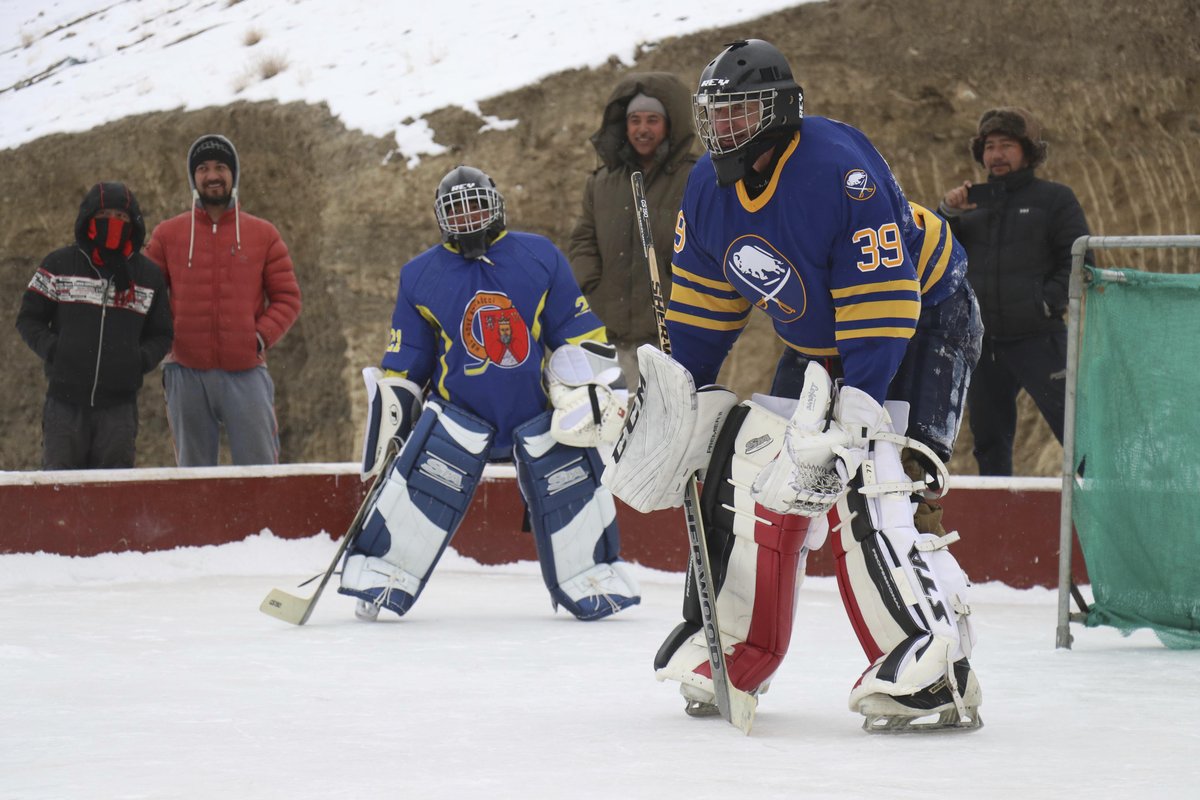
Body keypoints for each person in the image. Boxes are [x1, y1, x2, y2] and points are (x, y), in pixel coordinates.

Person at [603, 40, 984, 732]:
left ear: (779, 111)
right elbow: (703, 307)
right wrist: (679, 399)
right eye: (714, 113)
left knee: (874, 471)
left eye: (739, 112)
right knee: (753, 467)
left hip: (921, 316)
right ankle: (734, 645)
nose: (722, 128)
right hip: (819, 339)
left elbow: (884, 296)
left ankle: (933, 658)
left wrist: (859, 406)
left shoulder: (840, 170)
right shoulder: (706, 189)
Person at [336, 165, 641, 623]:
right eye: (455, 211)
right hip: (456, 417)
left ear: (496, 204)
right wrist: (391, 431)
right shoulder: (419, 275)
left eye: (475, 205)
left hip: (536, 416)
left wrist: (590, 389)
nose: (468, 217)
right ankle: (378, 577)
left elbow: (578, 334)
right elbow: (405, 364)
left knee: (574, 492)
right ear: (440, 217)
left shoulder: (539, 256)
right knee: (413, 498)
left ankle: (594, 577)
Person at [938, 107, 1090, 476]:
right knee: (989, 442)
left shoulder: (1054, 199)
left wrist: (1044, 302)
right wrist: (946, 213)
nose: (997, 155)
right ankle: (1000, 521)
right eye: (990, 146)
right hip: (984, 345)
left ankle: (1100, 510)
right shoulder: (969, 205)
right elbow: (934, 256)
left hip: (1040, 338)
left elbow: (1080, 259)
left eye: (1007, 145)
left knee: (1077, 433)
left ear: (1028, 151)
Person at [145, 134, 302, 466]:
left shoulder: (264, 234)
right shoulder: (167, 234)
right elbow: (147, 296)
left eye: (220, 167)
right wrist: (165, 338)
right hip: (184, 374)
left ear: (233, 174)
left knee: (260, 470)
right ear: (193, 177)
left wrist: (258, 337)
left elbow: (288, 298)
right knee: (194, 476)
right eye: (202, 168)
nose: (212, 175)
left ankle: (263, 522)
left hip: (245, 372)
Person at [16, 182, 173, 469]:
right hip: (64, 405)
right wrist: (55, 349)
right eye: (105, 214)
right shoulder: (59, 263)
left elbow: (162, 333)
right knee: (60, 491)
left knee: (113, 496)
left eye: (122, 217)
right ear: (89, 218)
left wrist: (139, 360)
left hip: (119, 409)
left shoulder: (148, 276)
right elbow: (29, 318)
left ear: (133, 223)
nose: (113, 222)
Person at [568, 72, 698, 381]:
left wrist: (672, 284)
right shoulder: (601, 182)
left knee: (669, 422)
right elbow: (583, 240)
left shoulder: (695, 178)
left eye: (652, 120)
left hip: (669, 337)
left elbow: (706, 245)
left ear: (670, 123)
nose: (642, 129)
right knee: (613, 423)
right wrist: (591, 285)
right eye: (635, 120)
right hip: (609, 335)